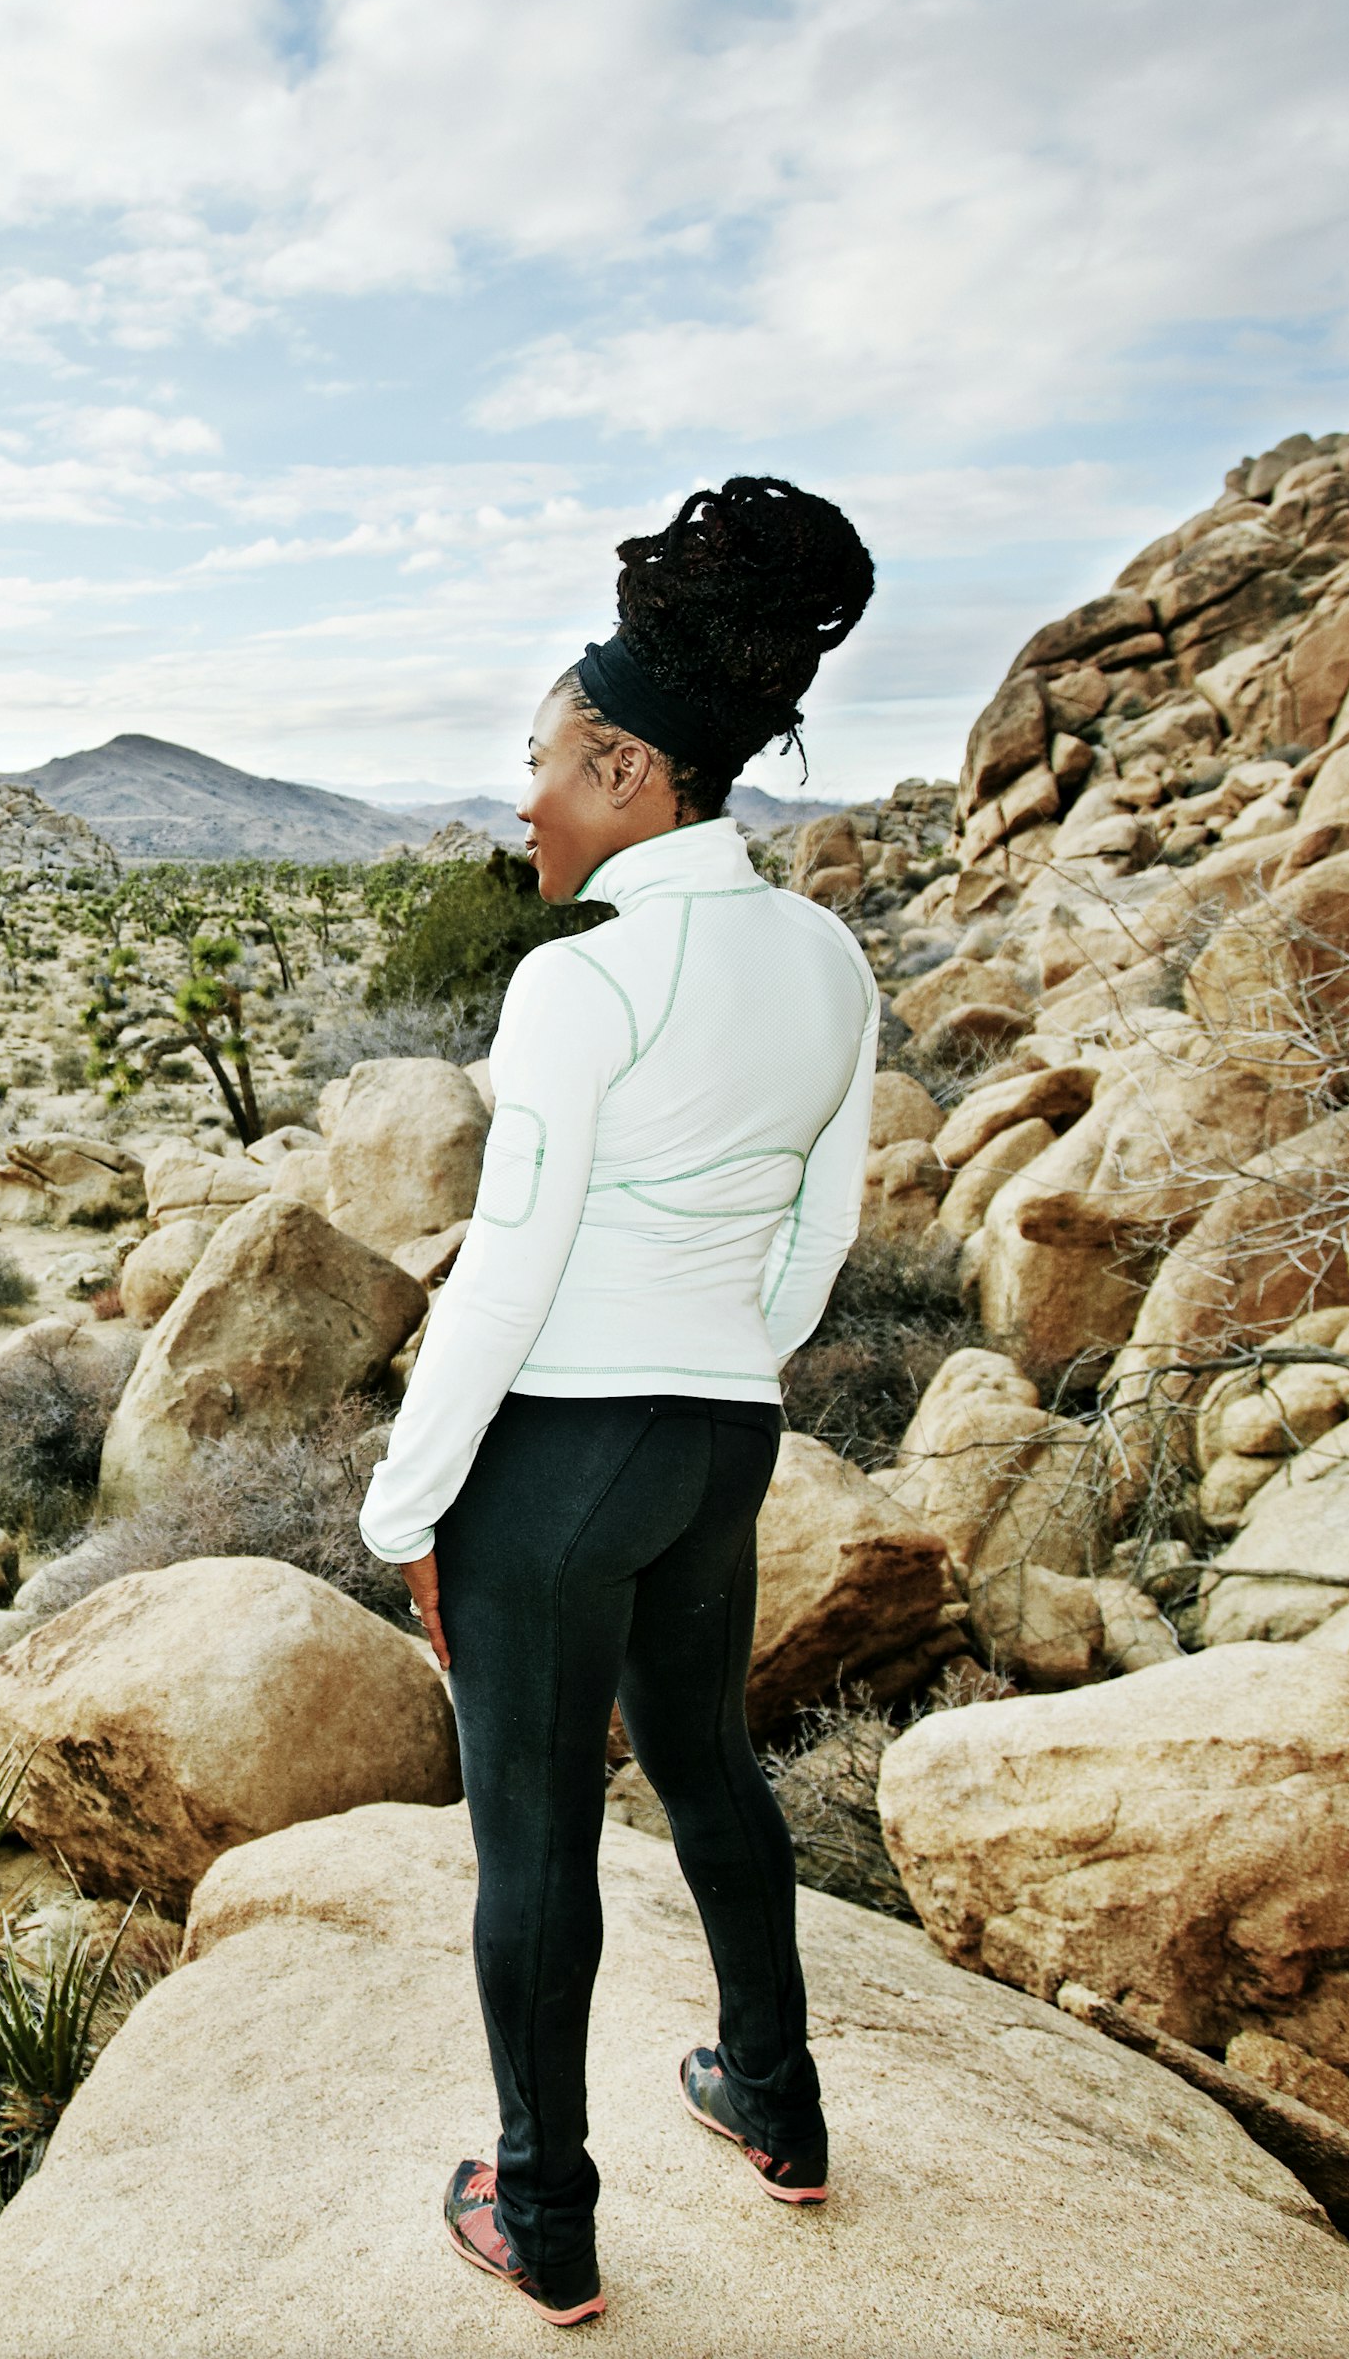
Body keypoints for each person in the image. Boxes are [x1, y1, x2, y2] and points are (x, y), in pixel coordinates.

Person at [361, 477, 882, 2330]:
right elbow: (822, 1223)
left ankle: (545, 2213)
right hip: (713, 1439)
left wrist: (406, 1509)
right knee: (709, 1765)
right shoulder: (827, 960)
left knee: (534, 1836)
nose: (527, 799)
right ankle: (777, 2100)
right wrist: (720, 1364)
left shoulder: (583, 981)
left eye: (549, 764)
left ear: (633, 773)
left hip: (560, 1455)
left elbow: (504, 1276)